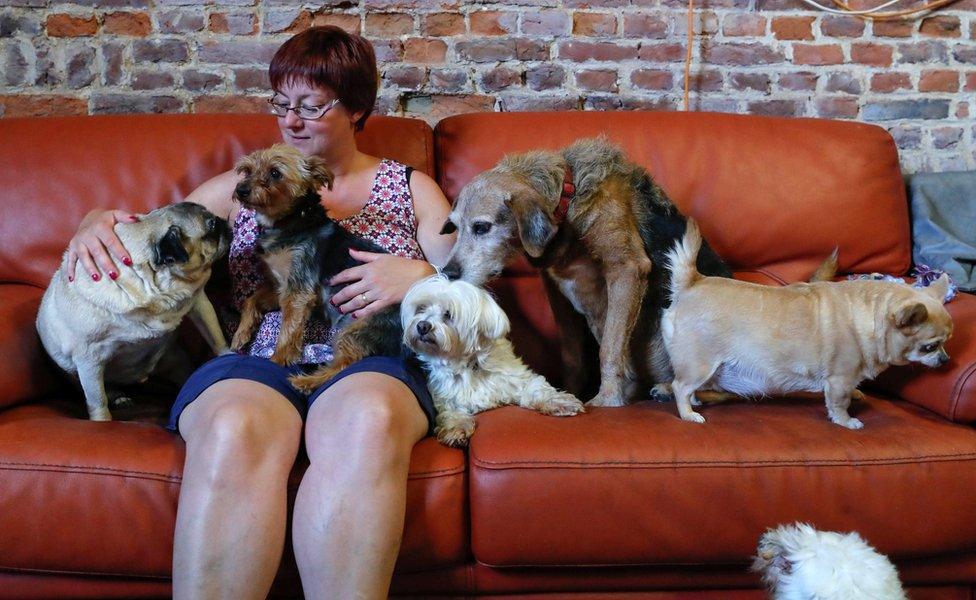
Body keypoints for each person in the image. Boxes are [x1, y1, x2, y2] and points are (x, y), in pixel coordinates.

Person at [66, 26, 454, 599]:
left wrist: (422, 275)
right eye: (282, 104)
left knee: (367, 418)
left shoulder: (411, 188)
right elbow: (148, 232)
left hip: (366, 357)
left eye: (310, 106)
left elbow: (474, 286)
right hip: (257, 359)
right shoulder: (237, 185)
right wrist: (92, 219)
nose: (291, 121)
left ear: (357, 109)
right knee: (231, 427)